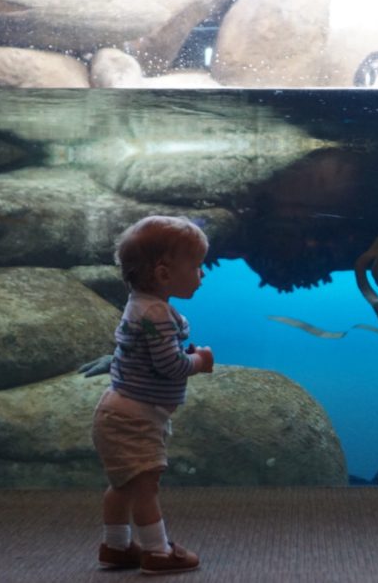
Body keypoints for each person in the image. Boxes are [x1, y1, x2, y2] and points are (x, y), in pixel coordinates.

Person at [91, 215, 215, 575]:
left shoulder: (140, 303)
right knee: (145, 487)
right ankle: (158, 552)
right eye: (196, 266)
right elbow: (170, 366)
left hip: (120, 413)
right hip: (134, 418)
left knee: (123, 485)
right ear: (163, 274)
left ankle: (115, 547)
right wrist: (199, 360)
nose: (202, 274)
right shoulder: (155, 313)